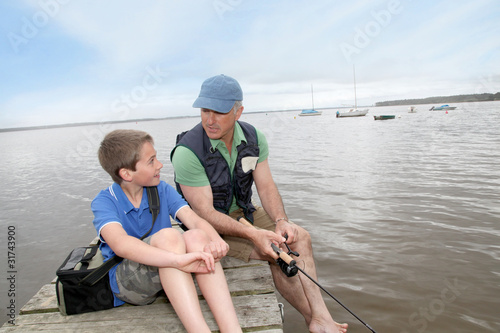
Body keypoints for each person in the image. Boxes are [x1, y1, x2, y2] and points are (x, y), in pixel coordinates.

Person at [170, 74, 348, 333]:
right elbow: (204, 212)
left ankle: (321, 317)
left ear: (238, 111)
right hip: (208, 227)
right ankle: (316, 321)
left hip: (245, 212)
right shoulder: (187, 152)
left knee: (301, 238)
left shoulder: (254, 138)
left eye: (218, 112)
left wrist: (280, 220)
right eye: (204, 110)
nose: (209, 119)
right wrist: (254, 235)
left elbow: (265, 186)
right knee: (273, 252)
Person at [92, 129, 242, 333]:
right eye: (151, 161)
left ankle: (232, 329)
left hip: (169, 270)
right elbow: (120, 245)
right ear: (126, 174)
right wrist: (175, 260)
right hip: (128, 283)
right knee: (169, 236)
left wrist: (216, 241)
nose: (160, 165)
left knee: (198, 236)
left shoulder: (161, 189)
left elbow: (194, 220)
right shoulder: (104, 202)